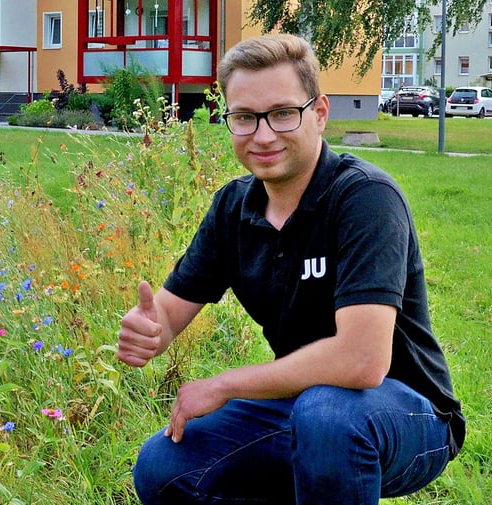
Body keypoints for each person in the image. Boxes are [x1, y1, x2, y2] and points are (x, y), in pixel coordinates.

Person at [117, 34, 463, 504]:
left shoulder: (364, 199)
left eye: (282, 113)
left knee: (329, 417)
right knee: (163, 467)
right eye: (244, 118)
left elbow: (362, 361)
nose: (263, 135)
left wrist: (223, 385)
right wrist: (148, 329)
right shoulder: (234, 208)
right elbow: (168, 314)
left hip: (408, 414)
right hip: (302, 406)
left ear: (319, 113)